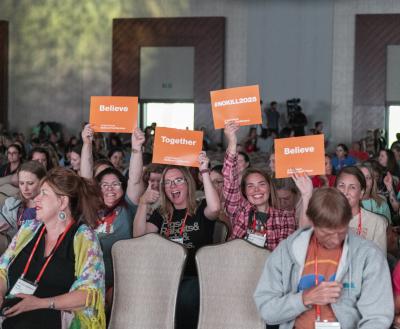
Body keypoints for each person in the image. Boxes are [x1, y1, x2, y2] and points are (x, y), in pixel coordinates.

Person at [254, 187, 394, 329]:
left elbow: (377, 318)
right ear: (313, 223)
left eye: (341, 232)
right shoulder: (286, 252)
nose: (335, 240)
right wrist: (304, 298)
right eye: (327, 233)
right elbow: (267, 310)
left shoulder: (368, 256)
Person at [0, 167, 105, 329]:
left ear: (62, 202)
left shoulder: (84, 237)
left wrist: (40, 304)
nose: (36, 199)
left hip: (51, 317)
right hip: (10, 311)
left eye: (44, 193)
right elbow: (3, 270)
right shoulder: (29, 229)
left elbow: (88, 294)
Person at [133, 152, 220, 329]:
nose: (173, 185)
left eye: (178, 180)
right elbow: (139, 237)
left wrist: (204, 172)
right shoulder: (162, 213)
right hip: (166, 275)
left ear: (188, 183)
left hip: (195, 275)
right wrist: (143, 203)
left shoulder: (202, 208)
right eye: (168, 182)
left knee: (185, 297)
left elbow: (216, 207)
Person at [80, 124, 142, 304]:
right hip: (89, 277)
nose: (110, 189)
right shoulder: (90, 206)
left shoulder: (128, 207)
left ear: (123, 187)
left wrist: (136, 149)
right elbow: (85, 177)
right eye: (104, 185)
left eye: (115, 184)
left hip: (120, 279)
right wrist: (87, 144)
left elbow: (136, 179)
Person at [222, 120, 296, 250]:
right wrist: (232, 143)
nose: (256, 189)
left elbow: (285, 254)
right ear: (244, 191)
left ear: (269, 187)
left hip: (271, 269)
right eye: (250, 186)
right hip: (241, 267)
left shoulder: (285, 216)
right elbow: (229, 179)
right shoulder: (240, 212)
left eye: (261, 184)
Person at [334, 166, 388, 253]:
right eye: (341, 185)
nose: (345, 192)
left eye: (352, 187)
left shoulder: (377, 223)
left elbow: (378, 264)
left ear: (361, 193)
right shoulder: (325, 219)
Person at [0, 161, 46, 244]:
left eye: (30, 183)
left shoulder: (51, 208)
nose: (25, 188)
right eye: (21, 183)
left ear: (42, 182)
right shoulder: (12, 204)